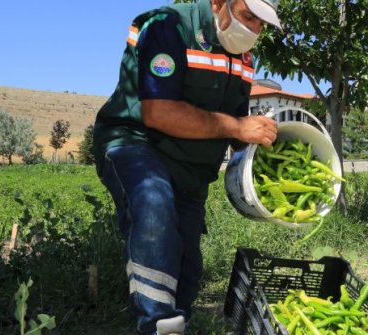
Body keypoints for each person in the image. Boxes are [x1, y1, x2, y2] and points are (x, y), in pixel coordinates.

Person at [91, 0, 281, 334]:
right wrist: (237, 127)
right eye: (247, 16)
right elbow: (158, 112)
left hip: (190, 165)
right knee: (154, 204)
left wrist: (264, 143)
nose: (253, 29)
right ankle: (158, 325)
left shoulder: (244, 58)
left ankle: (179, 321)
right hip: (136, 143)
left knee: (186, 263)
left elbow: (237, 127)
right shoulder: (168, 28)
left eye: (261, 23)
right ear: (219, 3)